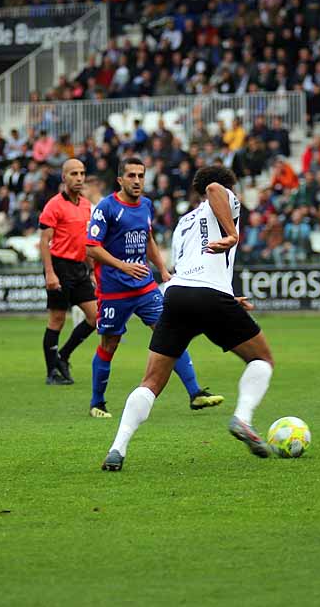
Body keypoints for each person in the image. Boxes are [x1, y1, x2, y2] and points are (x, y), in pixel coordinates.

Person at [101, 165, 275, 472]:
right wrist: (233, 234)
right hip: (209, 295)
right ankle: (243, 418)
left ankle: (118, 447)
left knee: (151, 382)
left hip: (179, 294)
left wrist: (228, 297)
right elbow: (214, 191)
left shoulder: (183, 222)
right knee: (262, 359)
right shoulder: (223, 195)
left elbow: (190, 268)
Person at [85, 156, 224, 419]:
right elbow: (91, 248)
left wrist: (161, 269)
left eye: (140, 175)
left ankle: (195, 393)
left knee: (171, 333)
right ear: (120, 180)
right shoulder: (106, 207)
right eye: (131, 176)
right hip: (114, 290)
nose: (137, 181)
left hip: (145, 286)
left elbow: (148, 238)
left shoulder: (146, 205)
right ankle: (97, 402)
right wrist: (123, 266)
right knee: (110, 343)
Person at [38, 158, 98, 385]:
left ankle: (63, 356)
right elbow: (44, 242)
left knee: (95, 317)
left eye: (82, 173)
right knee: (57, 319)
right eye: (74, 174)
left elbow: (86, 241)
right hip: (59, 265)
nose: (79, 178)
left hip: (79, 268)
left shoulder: (85, 205)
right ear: (64, 177)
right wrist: (50, 273)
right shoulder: (54, 205)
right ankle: (51, 372)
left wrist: (91, 270)